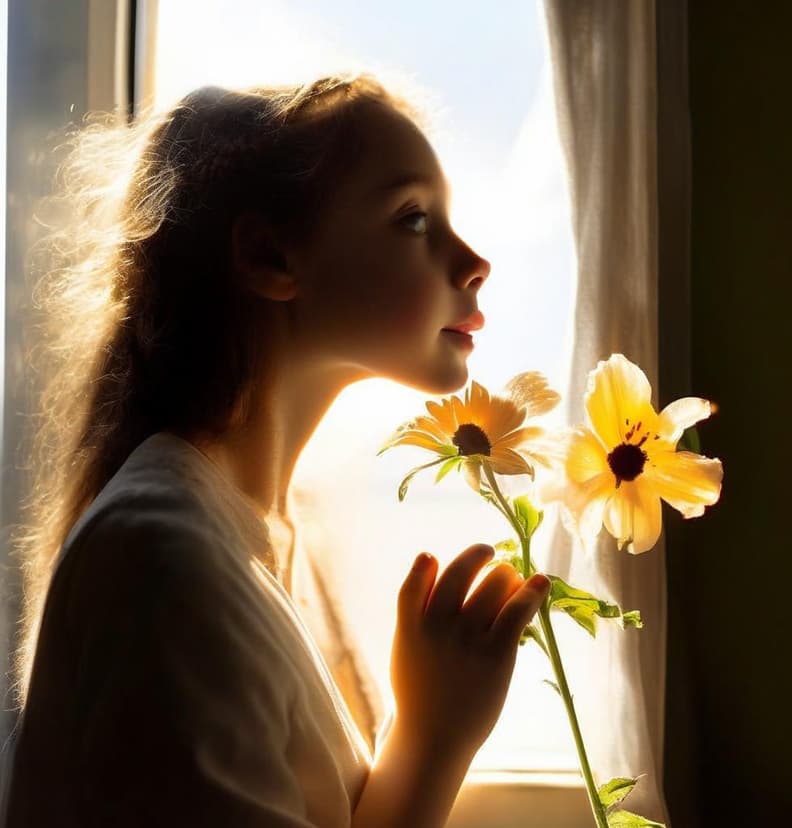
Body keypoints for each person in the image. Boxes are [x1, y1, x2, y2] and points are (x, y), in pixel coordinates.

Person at [1, 74, 552, 827]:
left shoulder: (261, 542)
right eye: (414, 219)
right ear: (270, 256)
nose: (473, 261)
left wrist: (432, 736)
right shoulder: (165, 562)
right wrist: (430, 740)